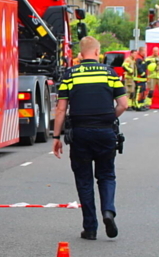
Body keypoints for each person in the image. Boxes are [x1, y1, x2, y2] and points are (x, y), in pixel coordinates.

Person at [53, 36, 129, 240]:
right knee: (106, 175)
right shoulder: (109, 73)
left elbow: (61, 109)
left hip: (80, 133)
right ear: (97, 52)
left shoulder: (70, 75)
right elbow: (123, 104)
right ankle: (108, 211)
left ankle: (90, 228)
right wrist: (108, 119)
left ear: (80, 54)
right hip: (105, 132)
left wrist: (56, 136)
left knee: (84, 179)